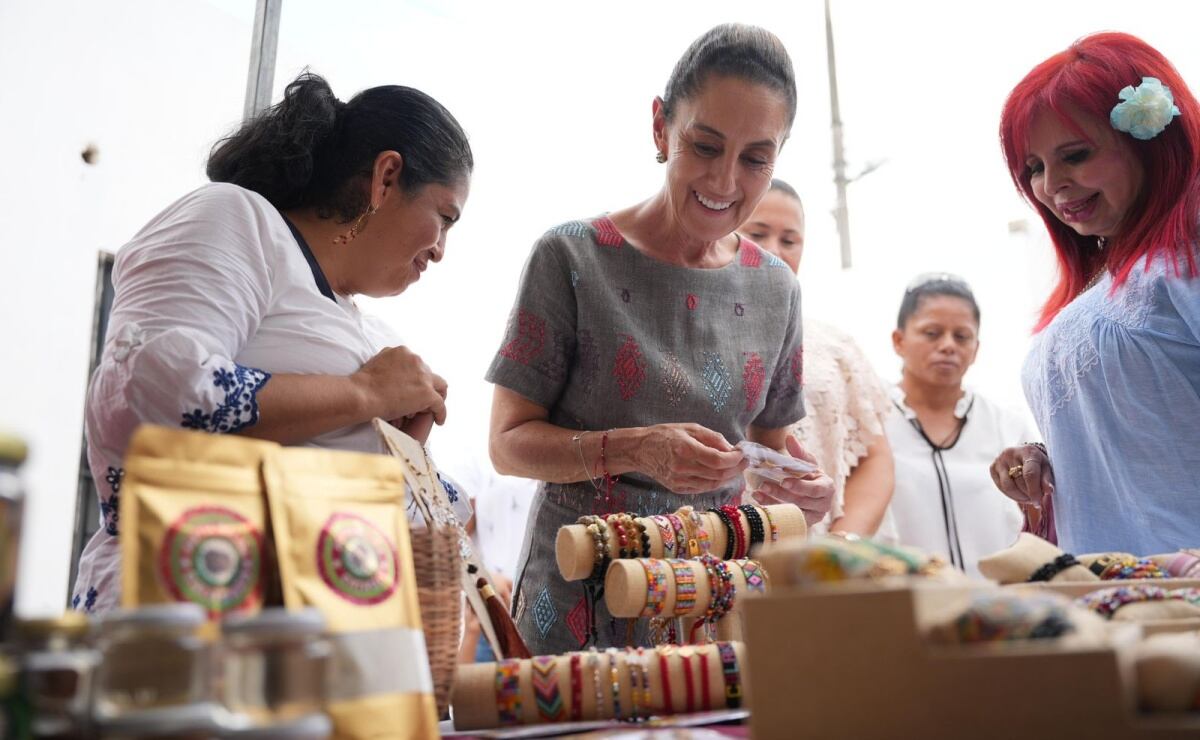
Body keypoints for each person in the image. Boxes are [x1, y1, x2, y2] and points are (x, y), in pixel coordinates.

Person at [486, 24, 835, 654]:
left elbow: (771, 444)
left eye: (756, 158)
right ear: (659, 128)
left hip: (711, 606)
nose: (726, 181)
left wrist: (800, 486)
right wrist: (635, 449)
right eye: (704, 146)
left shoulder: (775, 287)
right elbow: (508, 446)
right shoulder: (572, 256)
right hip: (575, 602)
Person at [72, 72, 473, 614]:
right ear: (386, 177)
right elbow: (149, 384)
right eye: (444, 217)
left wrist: (403, 458)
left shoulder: (368, 330)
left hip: (301, 648)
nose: (442, 250)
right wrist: (364, 395)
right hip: (180, 616)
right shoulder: (238, 220)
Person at [992, 32, 1200, 554]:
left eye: (1076, 154)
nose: (1051, 185)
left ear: (1150, 139)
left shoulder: (1185, 256)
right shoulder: (1106, 277)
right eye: (1034, 167)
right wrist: (1046, 455)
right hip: (1119, 596)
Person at [740, 180, 894, 537]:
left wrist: (843, 543)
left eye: (789, 240)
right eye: (757, 234)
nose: (774, 251)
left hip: (817, 562)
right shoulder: (680, 333)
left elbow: (875, 455)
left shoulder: (836, 346)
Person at [886, 275, 1031, 577]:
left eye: (962, 336)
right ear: (899, 341)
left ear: (976, 348)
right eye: (932, 333)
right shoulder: (870, 422)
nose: (948, 346)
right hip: (900, 608)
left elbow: (1038, 519)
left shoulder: (1008, 427)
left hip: (996, 610)